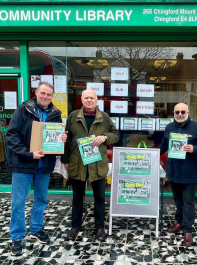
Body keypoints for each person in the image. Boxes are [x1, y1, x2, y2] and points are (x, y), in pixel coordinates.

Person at [6, 82, 67, 256]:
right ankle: (17, 238)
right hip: (23, 164)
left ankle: (36, 229)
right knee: (18, 202)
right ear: (36, 92)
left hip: (43, 166)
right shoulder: (23, 110)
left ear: (52, 96)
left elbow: (55, 138)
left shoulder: (56, 114)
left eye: (49, 94)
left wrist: (61, 138)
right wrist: (29, 154)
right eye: (43, 93)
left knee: (41, 200)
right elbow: (11, 136)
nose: (45, 97)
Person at [61, 89, 119, 242]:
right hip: (77, 163)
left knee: (99, 198)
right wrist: (65, 161)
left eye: (91, 98)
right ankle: (75, 226)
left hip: (97, 164)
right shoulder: (73, 116)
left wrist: (105, 137)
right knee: (77, 198)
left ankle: (100, 227)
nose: (89, 100)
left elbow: (116, 135)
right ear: (81, 99)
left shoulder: (104, 117)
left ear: (96, 100)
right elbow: (66, 139)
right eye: (86, 98)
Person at [159, 103, 197, 246]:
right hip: (173, 170)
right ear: (173, 113)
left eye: (183, 111)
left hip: (189, 171)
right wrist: (154, 155)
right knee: (177, 199)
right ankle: (179, 222)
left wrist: (194, 148)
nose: (180, 114)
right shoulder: (169, 127)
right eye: (177, 112)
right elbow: (164, 144)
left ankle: (188, 230)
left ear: (187, 112)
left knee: (188, 202)